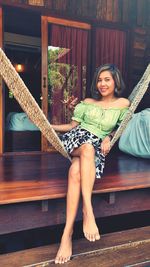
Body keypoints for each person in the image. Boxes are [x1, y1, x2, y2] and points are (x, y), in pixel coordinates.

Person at [52, 63, 130, 264]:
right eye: (99, 80)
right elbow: (71, 126)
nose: (102, 84)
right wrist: (48, 126)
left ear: (115, 81)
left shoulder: (124, 104)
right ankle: (88, 210)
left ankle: (66, 234)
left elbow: (118, 128)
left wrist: (108, 137)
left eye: (107, 79)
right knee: (86, 148)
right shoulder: (87, 102)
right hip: (76, 140)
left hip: (95, 146)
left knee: (75, 171)